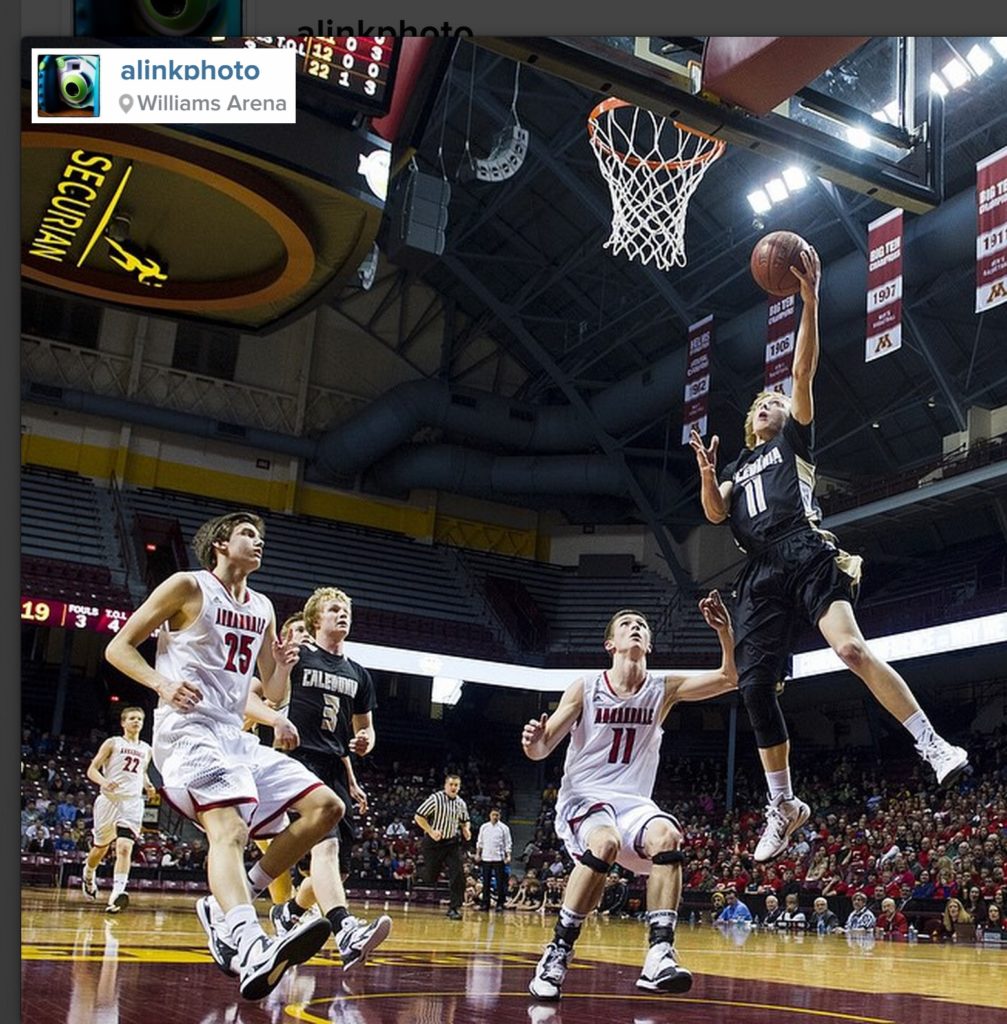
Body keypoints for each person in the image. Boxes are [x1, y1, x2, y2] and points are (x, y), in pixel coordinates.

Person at [690, 245, 968, 864]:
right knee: (754, 689)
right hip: (759, 573)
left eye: (775, 401)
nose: (770, 403)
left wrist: (811, 302)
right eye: (760, 403)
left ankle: (932, 744)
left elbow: (803, 371)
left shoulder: (794, 438)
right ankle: (783, 805)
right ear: (748, 423)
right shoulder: (734, 467)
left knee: (849, 648)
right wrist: (709, 476)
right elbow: (713, 514)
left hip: (806, 549)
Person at [104, 510, 343, 1001]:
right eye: (248, 535)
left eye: (260, 537)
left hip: (234, 736)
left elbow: (272, 691)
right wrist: (162, 683)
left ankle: (229, 905)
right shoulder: (186, 586)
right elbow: (118, 648)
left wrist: (282, 665)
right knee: (229, 830)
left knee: (326, 809)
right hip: (187, 733)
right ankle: (252, 943)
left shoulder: (262, 607)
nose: (258, 543)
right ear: (220, 543)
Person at [521, 590, 736, 1000]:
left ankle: (659, 953)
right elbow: (542, 750)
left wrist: (724, 634)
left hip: (633, 802)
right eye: (626, 625)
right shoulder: (585, 687)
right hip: (584, 798)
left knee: (668, 838)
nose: (635, 627)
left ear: (649, 645)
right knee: (605, 842)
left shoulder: (662, 687)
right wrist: (533, 739)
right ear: (611, 644)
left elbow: (730, 677)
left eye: (642, 626)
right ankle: (558, 951)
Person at [263, 586, 392, 971]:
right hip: (300, 762)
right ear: (315, 619)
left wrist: (366, 741)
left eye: (346, 610)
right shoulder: (300, 655)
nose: (342, 614)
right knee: (327, 851)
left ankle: (288, 913)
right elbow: (271, 695)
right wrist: (282, 668)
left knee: (339, 867)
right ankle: (345, 929)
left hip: (336, 766)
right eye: (334, 609)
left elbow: (365, 729)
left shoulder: (359, 674)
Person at [81, 706, 157, 913]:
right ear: (123, 723)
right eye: (132, 718)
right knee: (101, 848)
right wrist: (104, 782)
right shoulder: (113, 743)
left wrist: (148, 785)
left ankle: (117, 894)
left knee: (124, 847)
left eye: (140, 719)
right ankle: (89, 872)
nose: (136, 722)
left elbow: (141, 772)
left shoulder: (147, 749)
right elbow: (92, 769)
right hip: (109, 800)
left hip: (132, 802)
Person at [414, 773, 472, 919]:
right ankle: (419, 870)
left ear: (459, 787)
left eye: (456, 785)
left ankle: (454, 908)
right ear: (445, 786)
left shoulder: (461, 803)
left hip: (451, 842)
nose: (453, 787)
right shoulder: (435, 799)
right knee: (431, 876)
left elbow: (465, 820)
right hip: (433, 842)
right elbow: (418, 816)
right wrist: (431, 831)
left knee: (458, 873)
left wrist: (466, 829)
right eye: (451, 784)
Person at [475, 807, 513, 911]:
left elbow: (507, 843)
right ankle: (485, 903)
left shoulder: (504, 828)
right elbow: (480, 841)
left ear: (500, 816)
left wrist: (508, 855)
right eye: (493, 815)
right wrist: (478, 854)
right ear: (490, 815)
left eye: (497, 815)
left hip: (498, 858)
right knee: (486, 882)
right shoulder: (484, 827)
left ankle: (500, 903)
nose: (495, 817)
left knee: (500, 882)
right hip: (486, 857)